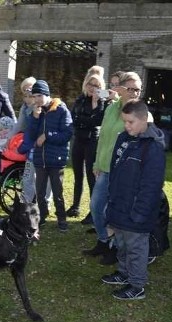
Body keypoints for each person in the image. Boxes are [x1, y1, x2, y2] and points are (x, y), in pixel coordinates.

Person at [100, 99, 165, 300]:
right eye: (125, 122)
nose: (126, 126)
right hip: (120, 204)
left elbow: (152, 185)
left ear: (144, 119)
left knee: (136, 246)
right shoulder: (124, 139)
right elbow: (116, 171)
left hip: (137, 210)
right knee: (121, 242)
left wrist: (140, 212)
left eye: (131, 122)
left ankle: (137, 284)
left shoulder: (152, 147)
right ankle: (123, 272)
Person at [83, 72, 143, 265]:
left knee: (115, 212)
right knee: (96, 207)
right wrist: (96, 163)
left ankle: (115, 248)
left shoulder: (140, 112)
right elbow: (104, 137)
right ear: (121, 88)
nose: (134, 92)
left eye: (138, 89)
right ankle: (103, 240)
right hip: (105, 168)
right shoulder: (111, 108)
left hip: (123, 173)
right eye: (131, 88)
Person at [18, 79, 73, 232]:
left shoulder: (61, 110)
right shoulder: (37, 111)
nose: (36, 99)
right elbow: (30, 134)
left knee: (58, 193)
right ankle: (42, 216)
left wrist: (47, 135)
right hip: (39, 159)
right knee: (40, 193)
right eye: (34, 96)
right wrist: (35, 118)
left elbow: (67, 134)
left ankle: (62, 219)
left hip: (56, 160)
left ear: (47, 95)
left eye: (39, 96)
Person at [67, 70, 107, 219]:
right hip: (78, 139)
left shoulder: (102, 101)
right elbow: (73, 119)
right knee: (78, 175)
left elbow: (97, 121)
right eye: (90, 84)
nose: (93, 87)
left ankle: (93, 211)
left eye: (97, 85)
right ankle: (75, 206)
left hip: (92, 141)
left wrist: (96, 103)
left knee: (91, 177)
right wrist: (86, 120)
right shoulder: (80, 99)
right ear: (86, 84)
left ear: (101, 87)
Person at [16, 76, 52, 206]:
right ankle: (26, 202)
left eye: (33, 93)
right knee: (27, 178)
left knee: (45, 179)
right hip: (31, 151)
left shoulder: (51, 108)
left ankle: (45, 204)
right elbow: (27, 131)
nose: (30, 96)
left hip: (46, 152)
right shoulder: (29, 110)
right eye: (26, 92)